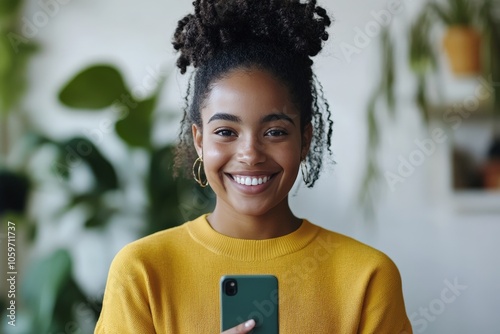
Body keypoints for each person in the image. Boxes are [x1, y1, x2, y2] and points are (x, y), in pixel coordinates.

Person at [95, 0, 413, 333]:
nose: (250, 154)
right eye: (226, 132)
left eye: (274, 132)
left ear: (304, 140)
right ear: (200, 140)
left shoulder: (367, 277)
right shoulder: (142, 272)